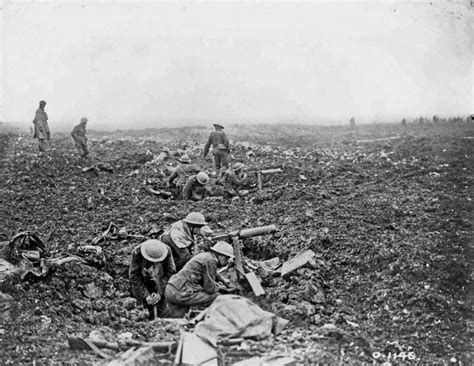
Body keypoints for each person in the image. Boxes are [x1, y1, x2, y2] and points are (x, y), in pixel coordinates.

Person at [165, 241, 234, 309]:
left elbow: (211, 271)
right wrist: (221, 289)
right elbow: (210, 289)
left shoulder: (207, 256)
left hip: (172, 288)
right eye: (226, 258)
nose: (228, 261)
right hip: (180, 293)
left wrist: (222, 279)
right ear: (220, 255)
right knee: (217, 297)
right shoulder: (211, 261)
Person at [129, 239, 176, 319]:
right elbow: (134, 275)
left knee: (163, 313)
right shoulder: (137, 252)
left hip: (160, 278)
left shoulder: (166, 250)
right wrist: (146, 295)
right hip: (143, 279)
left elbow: (170, 273)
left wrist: (160, 293)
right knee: (142, 311)